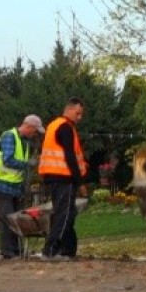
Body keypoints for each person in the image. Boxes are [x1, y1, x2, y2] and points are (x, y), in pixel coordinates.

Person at [0, 114, 45, 259]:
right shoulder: (9, 136)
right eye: (35, 131)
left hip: (13, 187)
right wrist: (28, 164)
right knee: (8, 220)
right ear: (28, 126)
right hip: (1, 186)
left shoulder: (23, 142)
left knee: (15, 220)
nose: (35, 134)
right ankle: (8, 251)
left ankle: (15, 250)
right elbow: (8, 160)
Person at [38, 97, 88, 261]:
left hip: (53, 176)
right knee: (64, 215)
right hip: (63, 177)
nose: (79, 118)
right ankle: (50, 251)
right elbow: (70, 157)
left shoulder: (53, 125)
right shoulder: (65, 127)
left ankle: (68, 249)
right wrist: (80, 182)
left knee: (67, 214)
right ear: (69, 110)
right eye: (78, 113)